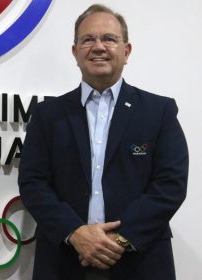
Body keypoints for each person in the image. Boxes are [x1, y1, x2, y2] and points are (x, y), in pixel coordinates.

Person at [18, 4, 188, 280]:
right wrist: (75, 234)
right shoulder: (47, 115)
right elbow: (32, 183)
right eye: (88, 39)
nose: (98, 46)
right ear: (75, 53)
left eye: (109, 38)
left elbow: (170, 185)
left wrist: (117, 241)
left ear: (126, 51)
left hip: (141, 262)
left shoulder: (160, 112)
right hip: (65, 261)